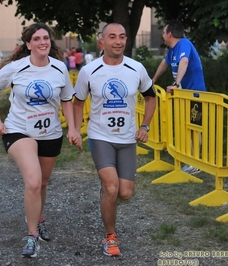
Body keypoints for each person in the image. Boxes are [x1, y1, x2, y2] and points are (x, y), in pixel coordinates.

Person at [0, 22, 82, 258]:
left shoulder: (60, 68)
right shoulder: (17, 67)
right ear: (28, 44)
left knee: (43, 183)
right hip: (19, 130)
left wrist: (73, 128)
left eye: (46, 38)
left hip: (50, 133)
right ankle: (32, 236)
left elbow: (67, 99)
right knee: (33, 180)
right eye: (37, 39)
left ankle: (38, 218)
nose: (43, 42)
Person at [73, 23, 156, 257]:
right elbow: (78, 102)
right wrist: (76, 130)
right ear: (102, 41)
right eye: (112, 37)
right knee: (111, 186)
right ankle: (110, 237)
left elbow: (151, 97)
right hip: (100, 137)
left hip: (128, 138)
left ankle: (107, 193)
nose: (118, 41)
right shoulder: (89, 71)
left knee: (125, 192)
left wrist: (144, 126)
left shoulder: (136, 68)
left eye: (122, 37)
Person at [152, 20, 206, 175]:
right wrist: (153, 80)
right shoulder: (173, 50)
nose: (162, 35)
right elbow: (164, 64)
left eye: (163, 32)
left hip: (195, 93)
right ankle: (189, 160)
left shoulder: (184, 44)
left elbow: (184, 61)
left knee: (194, 128)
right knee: (186, 127)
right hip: (184, 94)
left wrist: (175, 83)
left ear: (170, 34)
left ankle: (195, 163)